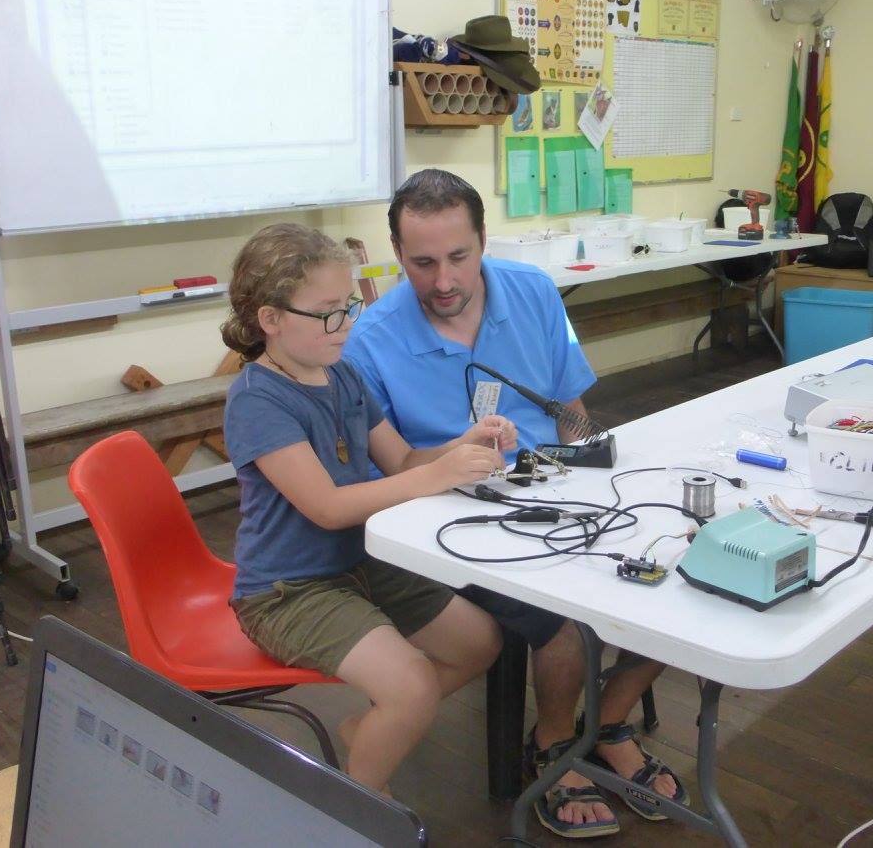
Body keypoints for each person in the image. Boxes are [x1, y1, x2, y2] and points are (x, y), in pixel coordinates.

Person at [344, 170, 688, 838]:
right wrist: (454, 460)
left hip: (555, 487)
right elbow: (396, 472)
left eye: (459, 257)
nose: (444, 281)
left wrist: (599, 479)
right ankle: (555, 742)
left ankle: (609, 718)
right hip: (449, 516)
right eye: (422, 263)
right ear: (397, 254)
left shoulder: (533, 291)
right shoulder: (370, 342)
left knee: (680, 560)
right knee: (564, 612)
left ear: (483, 240)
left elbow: (570, 413)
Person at [220, 222, 508, 796]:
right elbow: (327, 508)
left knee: (480, 643)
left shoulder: (342, 373)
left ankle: (370, 729)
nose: (346, 324)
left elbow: (401, 460)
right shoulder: (257, 399)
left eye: (347, 307)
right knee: (412, 685)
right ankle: (360, 807)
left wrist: (462, 446)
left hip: (358, 564)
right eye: (326, 313)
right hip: (287, 591)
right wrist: (436, 476)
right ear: (270, 319)